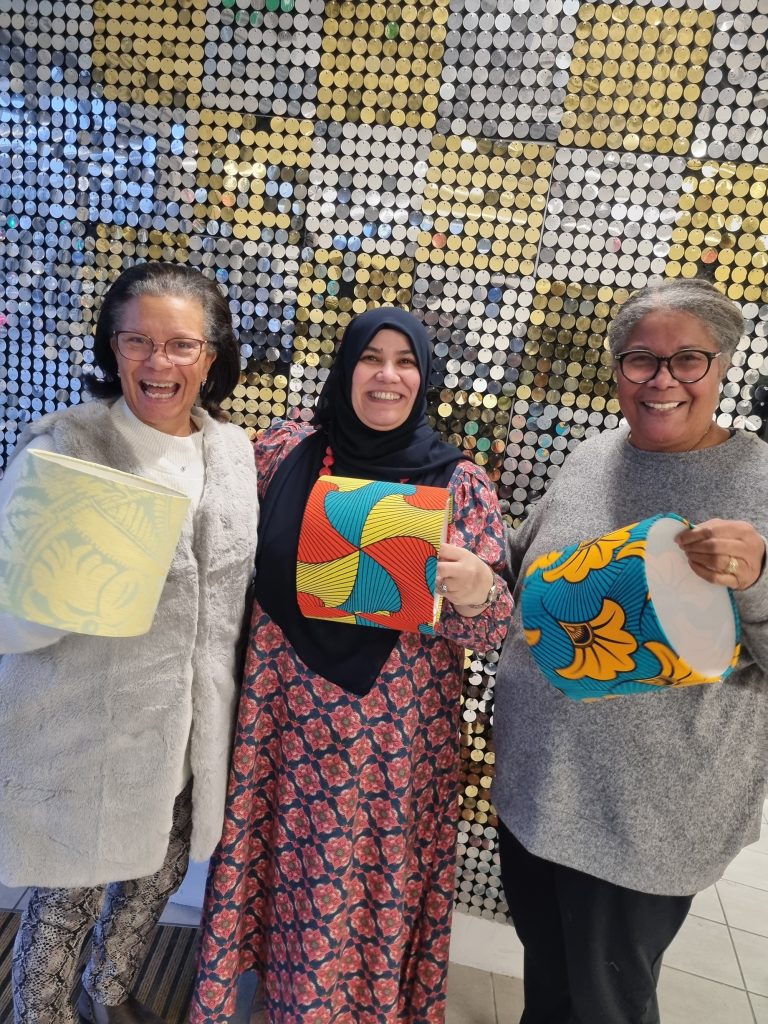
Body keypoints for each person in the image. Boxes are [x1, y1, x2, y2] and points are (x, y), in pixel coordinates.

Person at [189, 307, 513, 1024]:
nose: (388, 375)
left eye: (405, 361)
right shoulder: (285, 453)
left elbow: (494, 629)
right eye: (372, 357)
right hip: (278, 730)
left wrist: (479, 589)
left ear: (425, 376)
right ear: (346, 366)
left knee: (358, 895)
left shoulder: (459, 484)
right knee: (280, 881)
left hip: (386, 755)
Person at [493, 277, 768, 1024]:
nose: (662, 381)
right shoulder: (590, 457)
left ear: (721, 366)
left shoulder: (760, 484)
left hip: (647, 819)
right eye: (641, 360)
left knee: (608, 1004)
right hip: (537, 790)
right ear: (616, 367)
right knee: (550, 987)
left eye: (688, 361)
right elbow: (525, 571)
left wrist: (760, 578)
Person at [0, 262, 259, 1024]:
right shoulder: (67, 449)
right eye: (137, 341)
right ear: (112, 349)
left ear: (211, 359)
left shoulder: (236, 455)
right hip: (86, 735)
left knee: (153, 883)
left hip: (190, 734)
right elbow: (10, 603)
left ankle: (108, 997)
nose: (158, 363)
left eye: (181, 345)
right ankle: (39, 1014)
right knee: (64, 898)